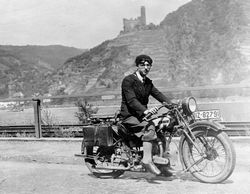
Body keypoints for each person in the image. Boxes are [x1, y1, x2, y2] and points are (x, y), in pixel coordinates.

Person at [120, 54, 172, 175]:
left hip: (141, 116)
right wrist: (146, 111)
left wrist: (172, 105)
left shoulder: (148, 82)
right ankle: (147, 160)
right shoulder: (128, 80)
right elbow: (131, 100)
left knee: (161, 128)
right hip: (129, 116)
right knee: (149, 127)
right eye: (143, 64)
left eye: (148, 65)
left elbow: (158, 95)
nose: (146, 67)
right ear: (137, 66)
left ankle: (161, 165)